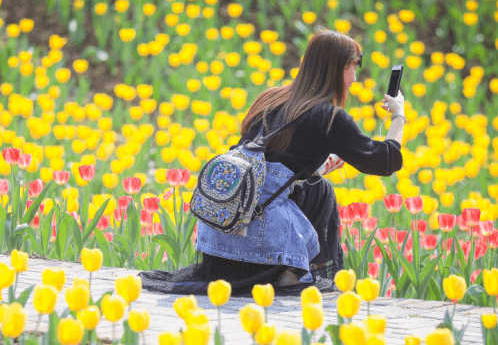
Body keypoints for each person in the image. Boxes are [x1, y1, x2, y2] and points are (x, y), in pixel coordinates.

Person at [140, 29, 406, 295]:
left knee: (316, 186)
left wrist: (314, 169)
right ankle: (291, 273)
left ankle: (291, 269)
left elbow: (264, 162)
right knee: (320, 191)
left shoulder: (271, 98)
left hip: (217, 238)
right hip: (257, 242)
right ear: (336, 68)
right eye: (353, 66)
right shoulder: (329, 117)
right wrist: (398, 117)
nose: (355, 78)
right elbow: (386, 161)